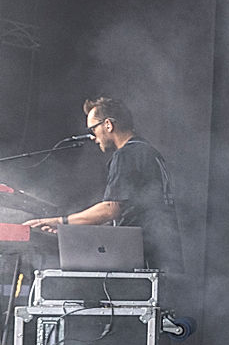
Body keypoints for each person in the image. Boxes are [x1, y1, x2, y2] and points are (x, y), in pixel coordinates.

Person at [25, 96, 181, 272]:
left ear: (108, 124)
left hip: (146, 258)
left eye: (93, 129)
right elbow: (135, 208)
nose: (92, 137)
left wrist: (59, 222)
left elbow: (110, 209)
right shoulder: (147, 151)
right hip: (165, 256)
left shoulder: (127, 155)